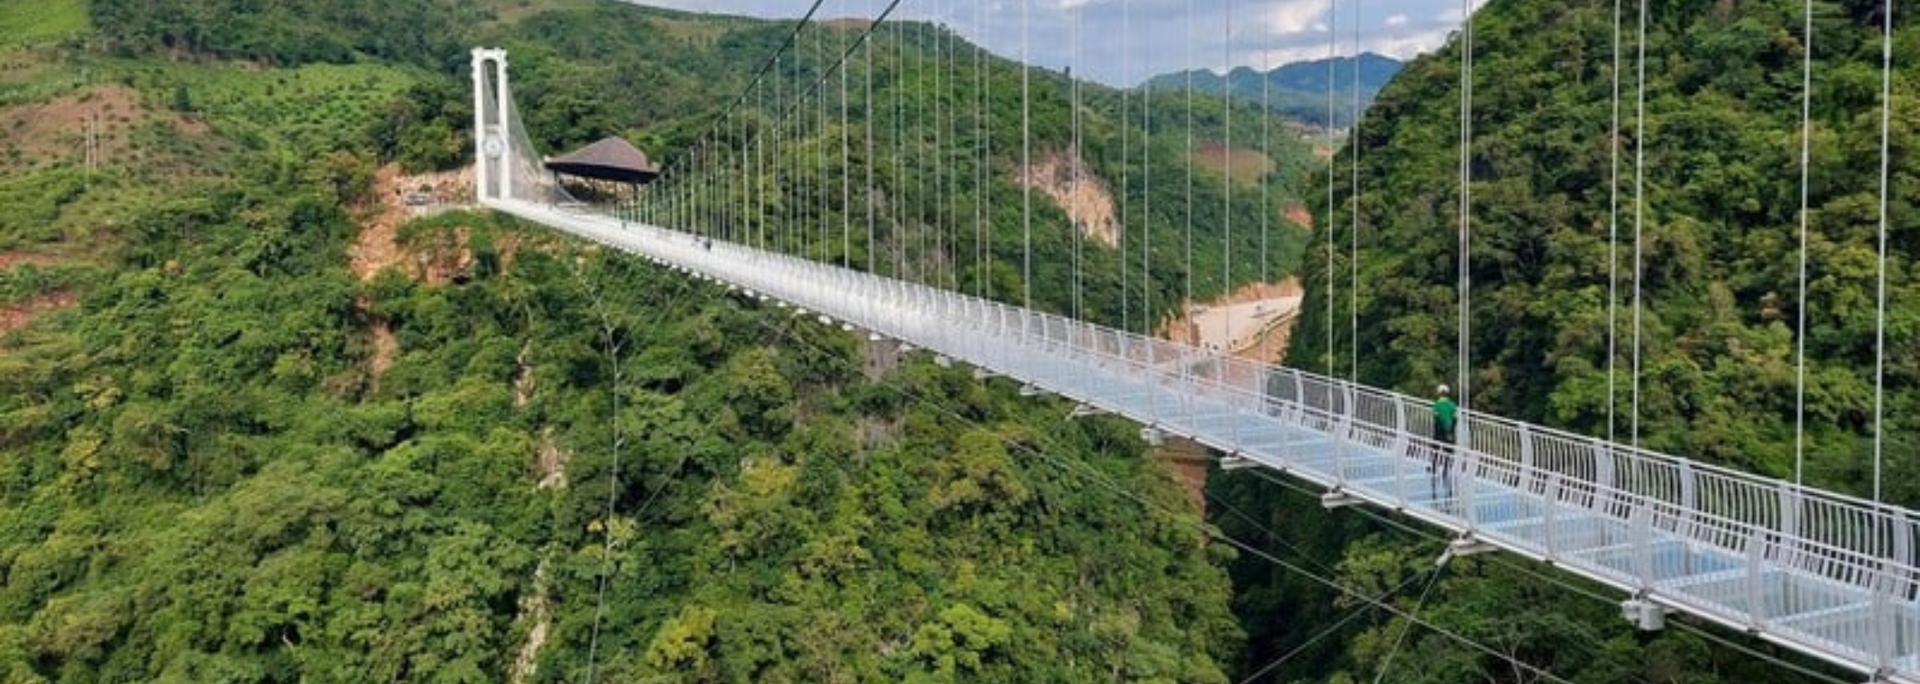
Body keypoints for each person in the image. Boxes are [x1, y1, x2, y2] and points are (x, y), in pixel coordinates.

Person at [1430, 384, 1457, 500]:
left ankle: (1435, 468)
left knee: (1435, 449)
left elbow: (1436, 420)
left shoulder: (1436, 405)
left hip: (1439, 431)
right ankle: (1446, 470)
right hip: (1450, 432)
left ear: (1439, 393)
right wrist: (1450, 431)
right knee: (1448, 451)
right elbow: (1455, 419)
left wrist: (1436, 434)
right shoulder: (1452, 405)